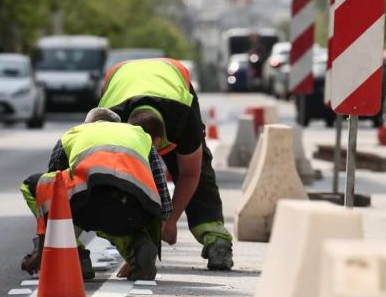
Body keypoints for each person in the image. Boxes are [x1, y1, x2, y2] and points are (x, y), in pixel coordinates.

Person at [99, 57, 234, 270]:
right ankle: (77, 247)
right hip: (120, 81)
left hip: (173, 81)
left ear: (165, 138)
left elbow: (191, 173)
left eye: (155, 152)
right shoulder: (110, 121)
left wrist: (170, 220)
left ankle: (216, 240)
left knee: (200, 166)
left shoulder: (183, 118)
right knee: (104, 180)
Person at [20, 108, 171, 280]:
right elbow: (162, 194)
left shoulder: (74, 133)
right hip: (133, 212)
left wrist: (41, 253)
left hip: (87, 203)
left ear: (87, 124)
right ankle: (137, 248)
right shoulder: (138, 135)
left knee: (38, 185)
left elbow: (54, 196)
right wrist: (152, 236)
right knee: (122, 206)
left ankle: (73, 256)